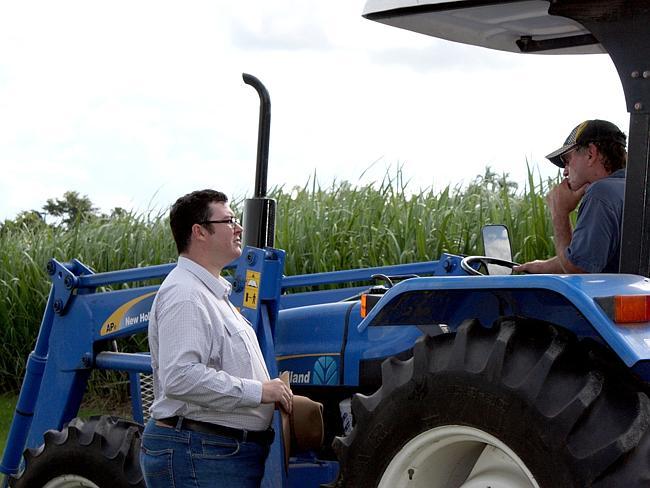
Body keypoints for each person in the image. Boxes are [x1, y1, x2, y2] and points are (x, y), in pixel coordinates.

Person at [140, 189, 293, 488]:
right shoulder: (185, 294)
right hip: (200, 455)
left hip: (215, 454)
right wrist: (259, 392)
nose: (239, 228)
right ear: (199, 232)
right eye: (229, 220)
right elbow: (180, 377)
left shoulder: (214, 295)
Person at [514, 119, 627, 274]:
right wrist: (539, 266)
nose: (565, 171)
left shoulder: (601, 194)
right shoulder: (629, 191)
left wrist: (560, 213)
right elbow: (585, 256)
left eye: (567, 161)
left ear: (590, 154)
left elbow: (578, 271)